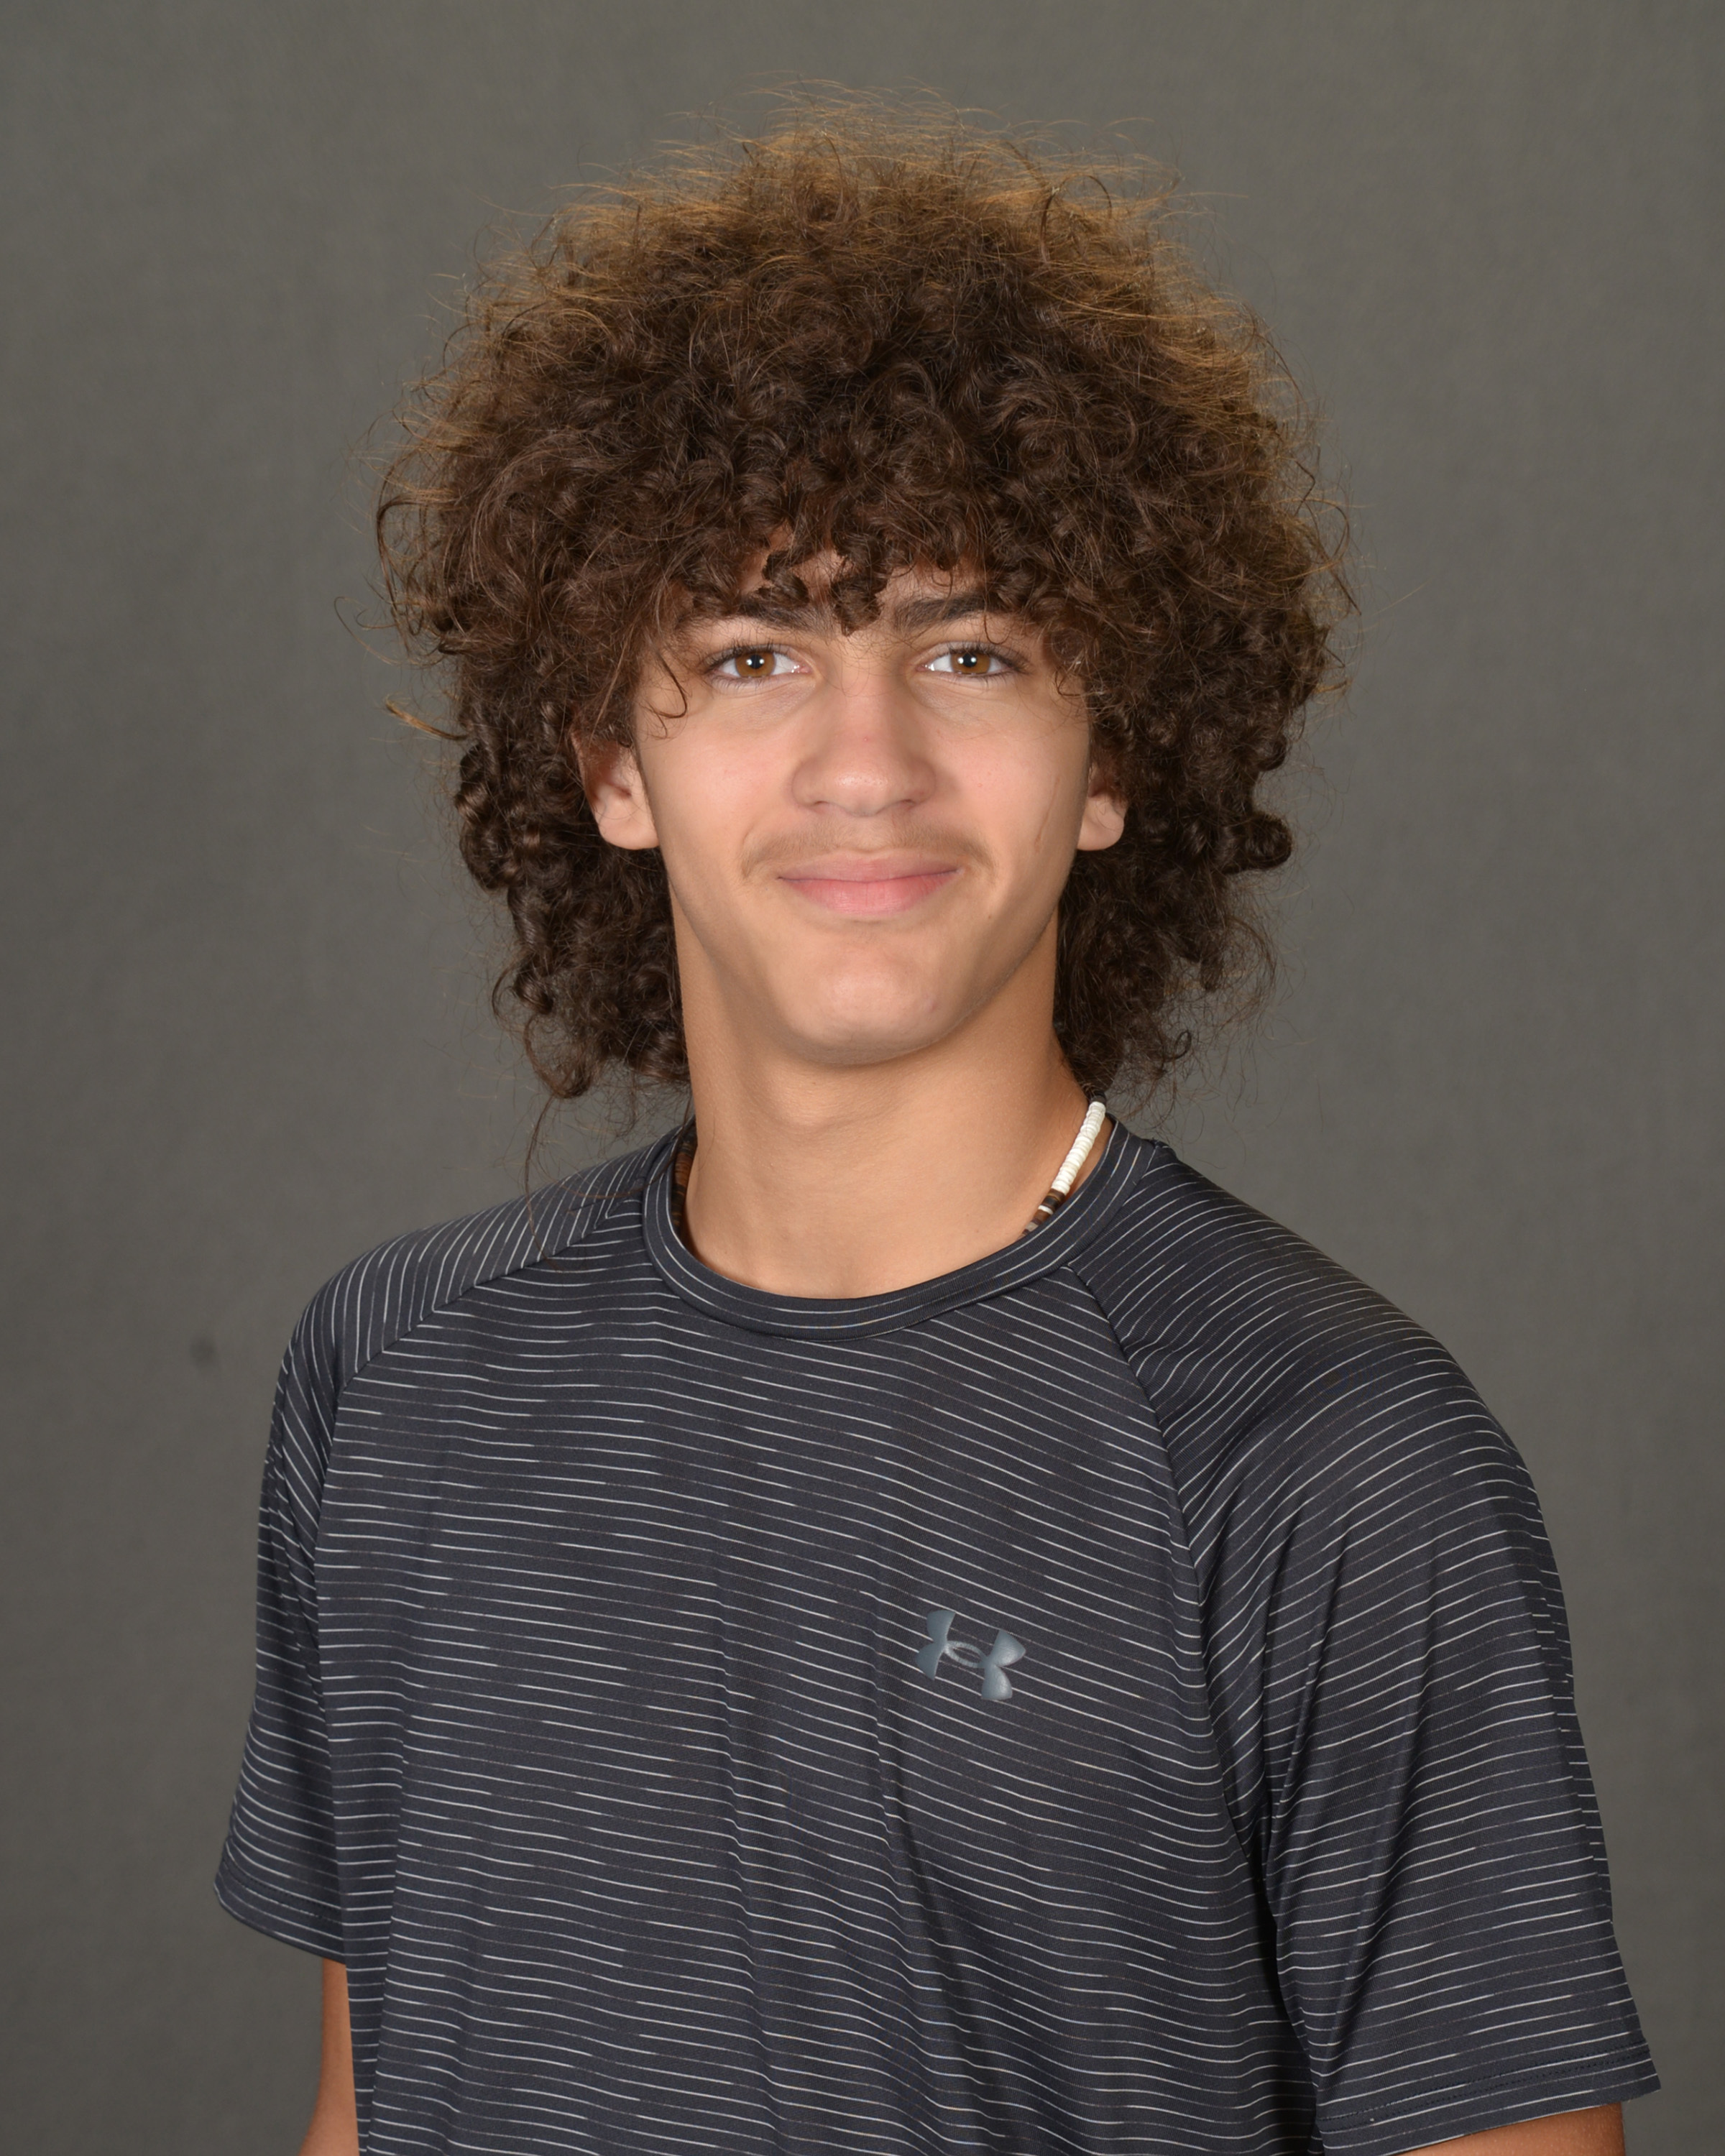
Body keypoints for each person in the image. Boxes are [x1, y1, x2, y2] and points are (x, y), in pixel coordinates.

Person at [216, 109, 1657, 2156]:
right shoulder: (396, 1379)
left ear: (1110, 760)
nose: (864, 761)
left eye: (969, 653)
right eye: (753, 655)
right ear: (612, 766)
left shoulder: (1329, 1457)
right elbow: (374, 2111)